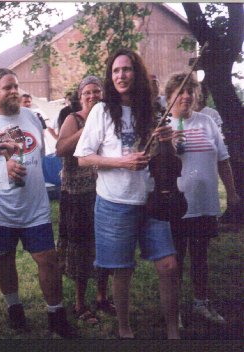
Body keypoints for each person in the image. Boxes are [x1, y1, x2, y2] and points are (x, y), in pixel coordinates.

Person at [75, 48, 180, 339]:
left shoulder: (153, 111)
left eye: (127, 69)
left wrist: (167, 142)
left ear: (138, 73)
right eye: (116, 71)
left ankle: (173, 331)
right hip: (114, 204)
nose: (121, 75)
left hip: (151, 200)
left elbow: (165, 160)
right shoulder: (102, 110)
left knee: (169, 265)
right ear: (111, 77)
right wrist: (121, 161)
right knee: (122, 270)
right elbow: (83, 157)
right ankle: (124, 328)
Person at [0, 68, 75, 338]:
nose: (14, 91)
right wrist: (1, 168)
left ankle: (56, 315)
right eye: (7, 87)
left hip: (34, 207)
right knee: (4, 258)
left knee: (47, 259)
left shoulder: (32, 118)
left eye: (16, 86)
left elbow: (38, 155)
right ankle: (14, 307)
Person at [164, 73, 240, 326]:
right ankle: (173, 310)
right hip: (175, 206)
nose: (186, 96)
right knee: (175, 261)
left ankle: (200, 302)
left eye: (190, 91)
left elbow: (223, 160)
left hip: (204, 204)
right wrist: (166, 145)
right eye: (180, 91)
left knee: (200, 256)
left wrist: (231, 192)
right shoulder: (162, 126)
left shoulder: (207, 122)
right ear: (169, 96)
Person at [55, 76, 115, 325]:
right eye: (87, 92)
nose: (92, 96)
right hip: (77, 196)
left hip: (104, 192)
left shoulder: (110, 117)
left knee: (103, 246)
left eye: (97, 92)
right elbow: (60, 149)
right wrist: (86, 128)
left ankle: (102, 296)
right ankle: (80, 303)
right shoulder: (73, 118)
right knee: (81, 249)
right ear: (80, 97)